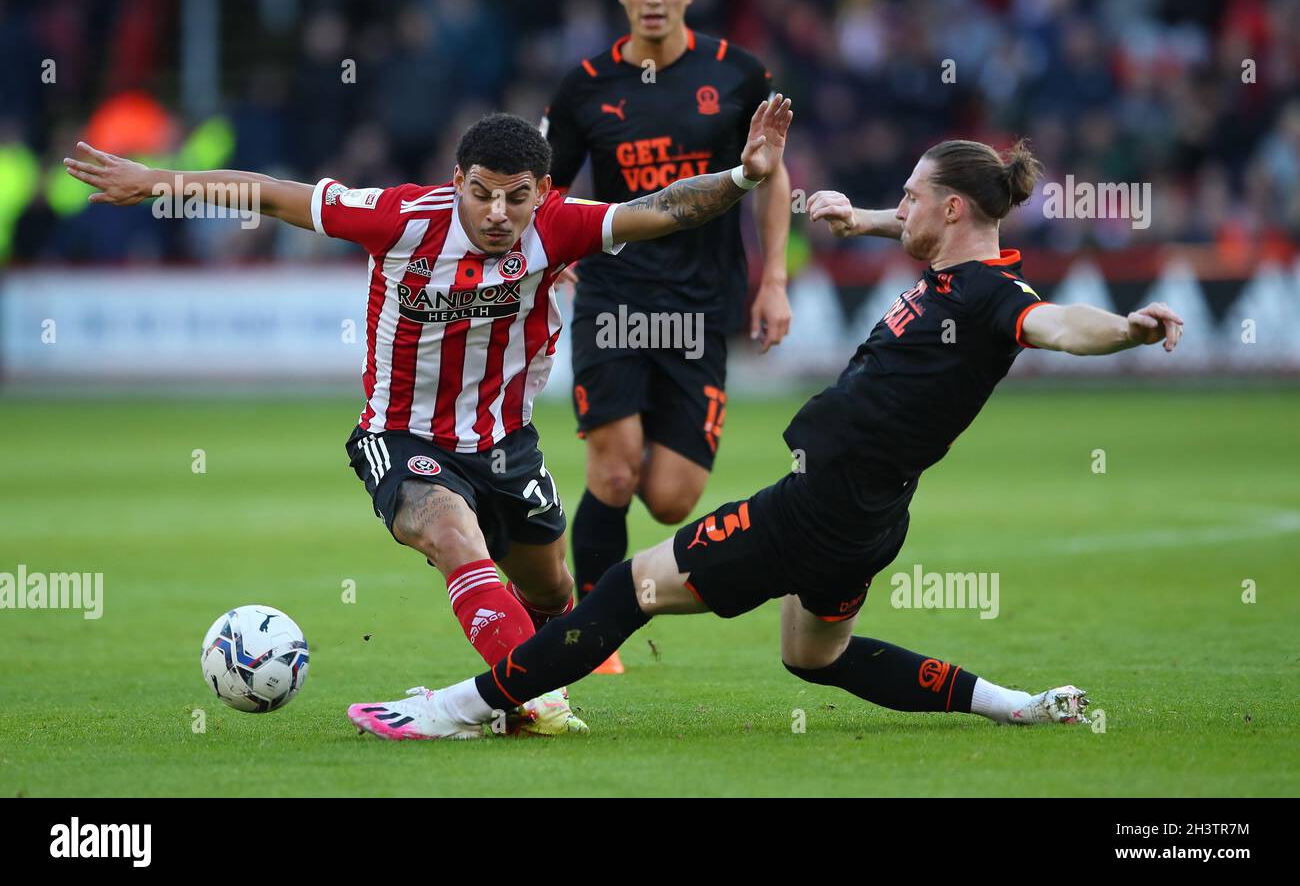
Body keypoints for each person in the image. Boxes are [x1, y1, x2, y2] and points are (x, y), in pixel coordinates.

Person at [340, 138, 1185, 741]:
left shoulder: (995, 303)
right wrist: (862, 220)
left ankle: (459, 705)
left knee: (626, 590)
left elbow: (1061, 325)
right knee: (815, 656)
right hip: (874, 519)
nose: (903, 207)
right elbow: (936, 240)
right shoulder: (967, 272)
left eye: (912, 196)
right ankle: (1017, 704)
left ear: (953, 206)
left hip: (812, 507)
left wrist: (1127, 330)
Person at [62, 93, 792, 737]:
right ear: (456, 184)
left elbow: (663, 208)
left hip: (505, 442)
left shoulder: (561, 227)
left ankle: (521, 692)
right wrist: (154, 180)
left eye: (515, 197)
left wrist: (743, 177)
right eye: (480, 195)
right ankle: (535, 701)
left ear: (542, 191)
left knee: (552, 591)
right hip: (399, 433)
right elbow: (270, 193)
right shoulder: (399, 218)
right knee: (450, 530)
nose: (497, 214)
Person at [541, 0, 792, 672]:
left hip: (700, 306)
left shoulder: (739, 73)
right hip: (615, 295)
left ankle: (613, 458)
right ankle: (588, 634)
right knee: (613, 473)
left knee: (674, 499)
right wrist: (551, 258)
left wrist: (773, 277)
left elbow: (772, 173)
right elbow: (549, 187)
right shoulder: (586, 84)